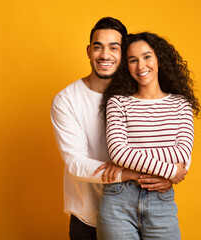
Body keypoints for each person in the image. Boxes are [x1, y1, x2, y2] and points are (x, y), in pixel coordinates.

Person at [51, 18, 174, 240]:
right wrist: (135, 174)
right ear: (89, 51)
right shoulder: (67, 100)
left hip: (143, 208)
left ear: (124, 52)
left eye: (114, 48)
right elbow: (76, 163)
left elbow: (172, 133)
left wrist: (171, 175)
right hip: (87, 218)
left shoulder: (141, 92)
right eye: (98, 47)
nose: (105, 55)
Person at [97, 32, 201, 240]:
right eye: (132, 60)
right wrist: (171, 171)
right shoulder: (118, 102)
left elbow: (181, 152)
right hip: (118, 200)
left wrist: (131, 161)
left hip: (161, 200)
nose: (140, 66)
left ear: (159, 59)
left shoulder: (181, 104)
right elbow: (118, 152)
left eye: (147, 57)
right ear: (126, 66)